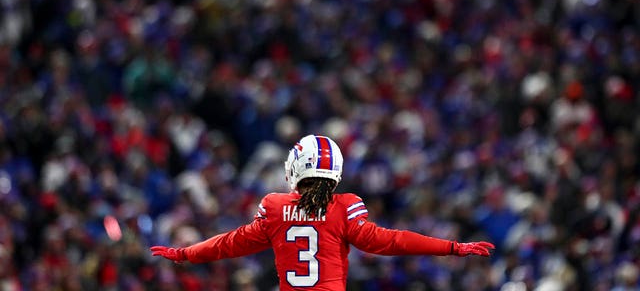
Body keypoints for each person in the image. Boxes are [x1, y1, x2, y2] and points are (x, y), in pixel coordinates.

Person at [150, 135, 495, 290]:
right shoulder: (344, 207)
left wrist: (186, 253)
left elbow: (229, 243)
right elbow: (391, 241)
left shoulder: (274, 207)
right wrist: (451, 247)